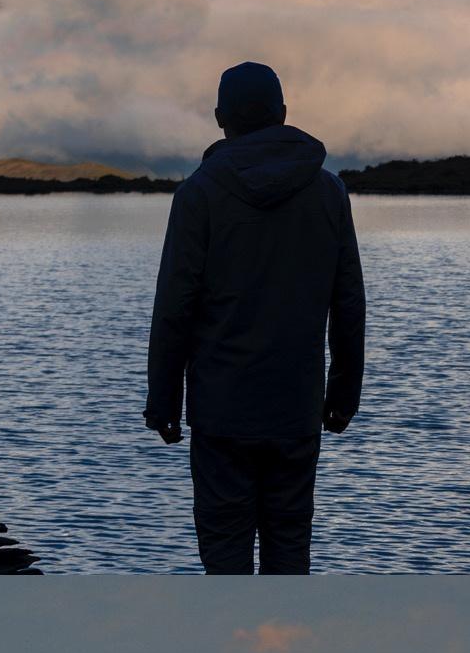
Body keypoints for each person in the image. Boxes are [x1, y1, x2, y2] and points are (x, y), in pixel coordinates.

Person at [145, 63, 366, 577]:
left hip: (222, 411)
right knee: (290, 552)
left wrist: (163, 400)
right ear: (283, 115)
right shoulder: (329, 193)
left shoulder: (198, 195)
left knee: (225, 558)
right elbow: (348, 304)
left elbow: (175, 307)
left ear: (220, 118)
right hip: (296, 407)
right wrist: (343, 395)